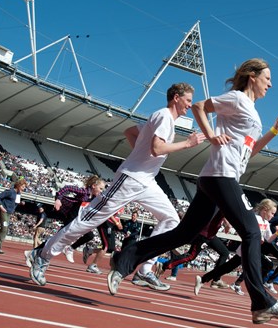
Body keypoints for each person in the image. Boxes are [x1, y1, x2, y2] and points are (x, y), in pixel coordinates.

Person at [107, 58, 278, 324]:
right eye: (267, 78)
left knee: (184, 232)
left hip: (218, 177)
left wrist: (274, 131)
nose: (271, 83)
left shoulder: (251, 111)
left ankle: (124, 260)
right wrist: (211, 134)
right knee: (252, 232)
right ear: (252, 76)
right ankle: (262, 303)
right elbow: (199, 106)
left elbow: (249, 152)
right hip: (221, 176)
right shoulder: (237, 99)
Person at [28, 82, 205, 289]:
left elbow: (130, 132)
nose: (190, 106)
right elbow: (157, 148)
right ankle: (42, 254)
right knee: (88, 221)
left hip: (147, 180)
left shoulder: (161, 118)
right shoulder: (165, 116)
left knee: (171, 219)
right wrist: (187, 144)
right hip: (130, 179)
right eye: (188, 101)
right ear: (176, 97)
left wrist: (139, 155)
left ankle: (144, 269)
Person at [195, 198, 278, 296]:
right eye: (272, 213)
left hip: (253, 249)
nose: (273, 216)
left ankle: (203, 279)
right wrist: (252, 238)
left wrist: (277, 232)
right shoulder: (254, 218)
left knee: (227, 267)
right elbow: (241, 230)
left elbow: (268, 239)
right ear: (265, 210)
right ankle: (258, 291)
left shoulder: (266, 223)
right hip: (247, 248)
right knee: (266, 265)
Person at [25, 175, 105, 266]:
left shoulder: (94, 198)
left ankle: (69, 248)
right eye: (101, 188)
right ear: (94, 186)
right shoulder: (84, 192)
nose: (101, 191)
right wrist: (58, 199)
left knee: (89, 235)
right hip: (70, 218)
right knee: (57, 239)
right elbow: (67, 188)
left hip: (78, 221)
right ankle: (32, 254)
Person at [155, 210, 231, 287]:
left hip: (211, 234)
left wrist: (226, 223)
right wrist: (227, 223)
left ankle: (216, 279)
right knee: (190, 256)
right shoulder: (222, 202)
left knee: (224, 253)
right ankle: (164, 265)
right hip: (204, 234)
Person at [0, 178, 27, 254]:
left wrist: (21, 203)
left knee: (3, 230)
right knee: (5, 229)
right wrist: (1, 207)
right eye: (23, 187)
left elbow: (16, 202)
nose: (24, 188)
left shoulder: (18, 194)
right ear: (19, 185)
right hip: (4, 211)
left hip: (9, 213)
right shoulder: (10, 192)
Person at [85, 209, 123, 274]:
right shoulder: (117, 200)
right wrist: (116, 223)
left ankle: (89, 250)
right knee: (106, 246)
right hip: (106, 224)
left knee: (111, 248)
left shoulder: (123, 204)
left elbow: (118, 216)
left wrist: (119, 223)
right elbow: (109, 213)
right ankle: (93, 265)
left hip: (112, 225)